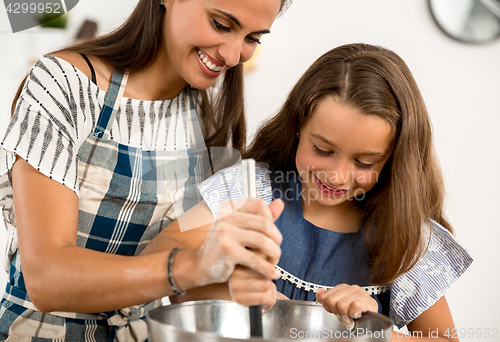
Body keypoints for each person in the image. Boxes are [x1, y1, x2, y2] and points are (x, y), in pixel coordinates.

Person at [0, 0, 292, 340]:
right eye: (221, 25)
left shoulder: (203, 113)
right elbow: (47, 280)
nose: (231, 55)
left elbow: (181, 275)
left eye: (252, 37)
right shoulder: (64, 84)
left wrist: (256, 293)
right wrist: (191, 266)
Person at [141, 43, 473, 340]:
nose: (337, 176)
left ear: (393, 161)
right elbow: (160, 254)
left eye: (364, 161)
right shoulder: (249, 189)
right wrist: (229, 289)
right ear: (298, 127)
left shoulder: (405, 238)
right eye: (323, 149)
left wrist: (375, 333)